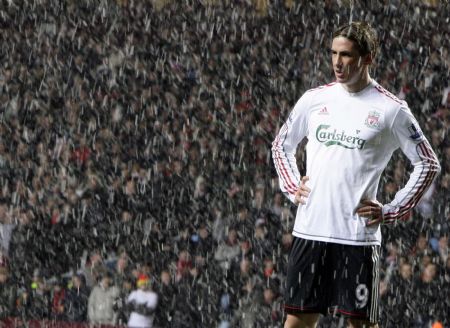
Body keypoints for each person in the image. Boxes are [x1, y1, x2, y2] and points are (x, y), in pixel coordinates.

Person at [271, 21, 441, 328]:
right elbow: (281, 145)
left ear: (367, 58)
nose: (337, 62)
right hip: (311, 232)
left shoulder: (391, 109)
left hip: (357, 239)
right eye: (333, 53)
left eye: (346, 55)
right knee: (296, 322)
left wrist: (392, 209)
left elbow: (428, 162)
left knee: (360, 325)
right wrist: (292, 186)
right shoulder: (314, 99)